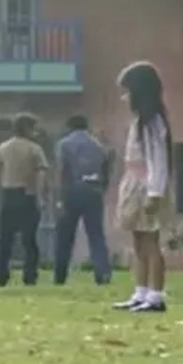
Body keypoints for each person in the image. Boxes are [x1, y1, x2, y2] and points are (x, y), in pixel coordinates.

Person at [113, 61, 173, 313]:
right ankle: (140, 292)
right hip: (133, 182)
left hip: (146, 185)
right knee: (137, 241)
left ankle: (156, 295)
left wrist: (155, 193)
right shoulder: (139, 121)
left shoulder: (152, 122)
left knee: (150, 241)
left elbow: (158, 159)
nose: (125, 97)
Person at [0, 113, 49, 287]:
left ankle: (1, 275)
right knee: (29, 239)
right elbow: (41, 173)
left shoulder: (3, 148)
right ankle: (30, 276)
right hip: (27, 195)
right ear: (27, 128)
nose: (36, 132)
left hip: (8, 195)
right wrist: (40, 196)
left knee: (5, 239)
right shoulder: (34, 149)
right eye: (33, 128)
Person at [52, 114, 112, 285]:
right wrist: (102, 189)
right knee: (96, 235)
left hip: (72, 191)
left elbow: (61, 170)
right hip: (94, 191)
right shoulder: (99, 145)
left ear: (70, 127)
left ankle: (60, 275)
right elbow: (106, 170)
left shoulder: (64, 144)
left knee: (65, 236)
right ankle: (102, 274)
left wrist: (59, 197)